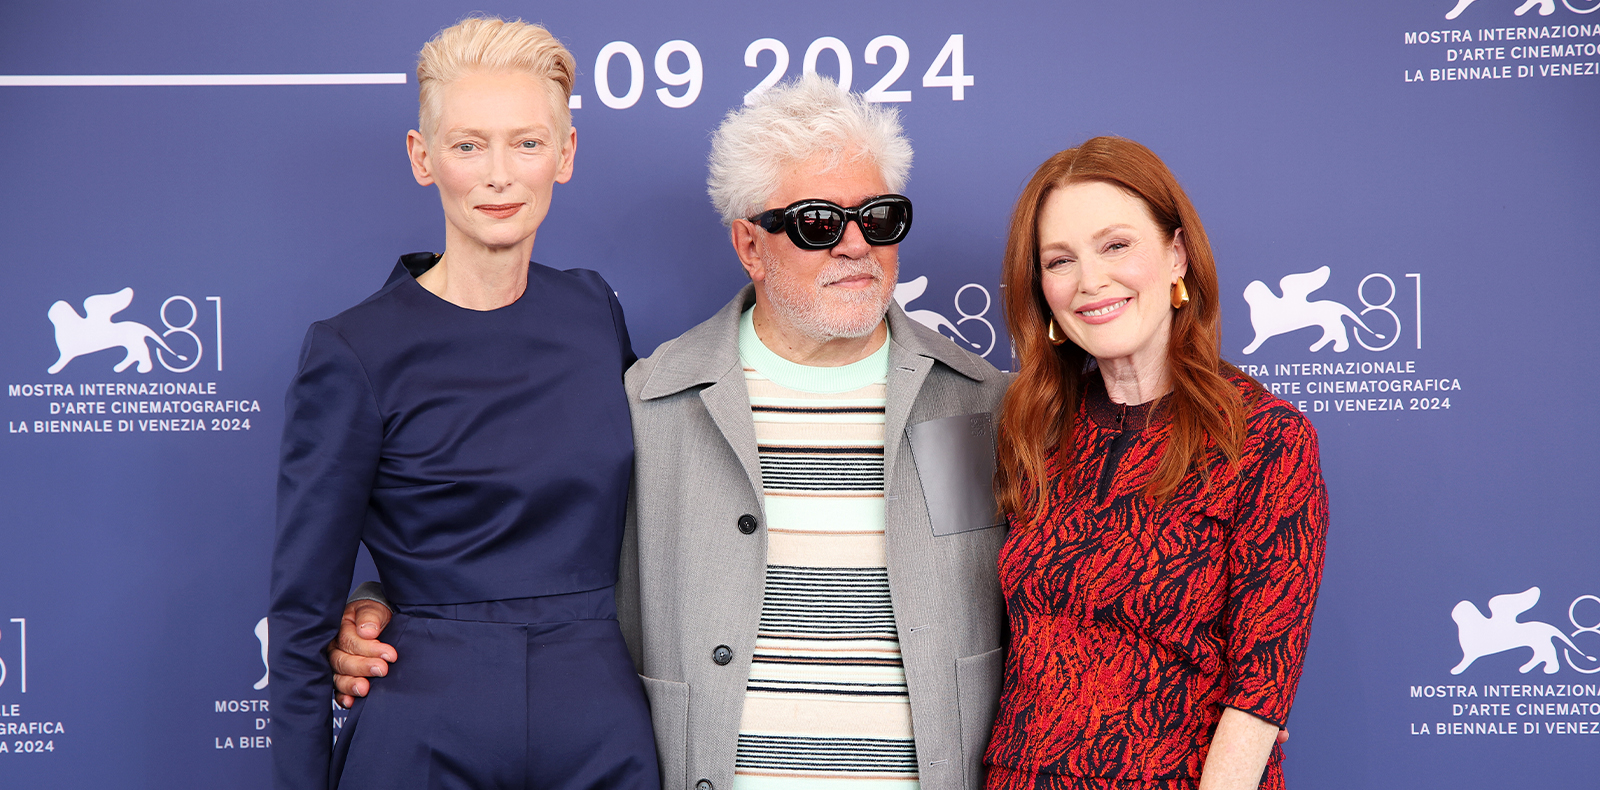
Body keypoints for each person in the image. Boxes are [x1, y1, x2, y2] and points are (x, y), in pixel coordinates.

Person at [330, 74, 1012, 790]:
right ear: (750, 244)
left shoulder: (976, 406)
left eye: (879, 218)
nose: (854, 246)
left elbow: (1042, 586)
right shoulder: (653, 403)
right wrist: (398, 605)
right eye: (817, 222)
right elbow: (541, 556)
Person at [269, 17, 658, 790]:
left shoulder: (593, 310)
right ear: (424, 158)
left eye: (527, 142)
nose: (499, 175)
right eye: (469, 145)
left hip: (601, 725)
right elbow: (302, 614)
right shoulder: (354, 350)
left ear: (566, 153)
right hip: (425, 727)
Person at [984, 137, 1328, 790]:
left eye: (1116, 246)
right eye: (1060, 260)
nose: (1090, 281)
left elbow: (1260, 695)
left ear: (1176, 255)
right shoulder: (1032, 431)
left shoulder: (1263, 438)